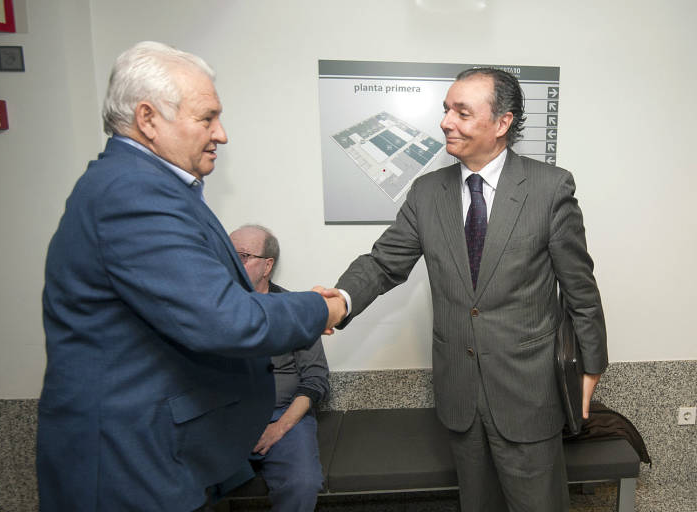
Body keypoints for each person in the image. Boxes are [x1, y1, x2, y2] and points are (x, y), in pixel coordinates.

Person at [37, 41, 345, 512]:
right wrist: (324, 306)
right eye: (207, 118)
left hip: (157, 449)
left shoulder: (150, 187)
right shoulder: (132, 193)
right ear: (148, 118)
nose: (221, 134)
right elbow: (224, 317)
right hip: (128, 460)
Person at [325, 68, 608, 511]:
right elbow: (383, 263)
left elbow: (580, 289)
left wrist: (591, 367)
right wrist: (339, 301)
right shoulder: (426, 192)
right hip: (460, 395)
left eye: (462, 111)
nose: (446, 122)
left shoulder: (549, 189)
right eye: (445, 110)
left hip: (528, 394)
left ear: (501, 124)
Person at [229, 224, 329, 512]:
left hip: (283, 414)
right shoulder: (213, 310)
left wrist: (278, 429)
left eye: (243, 255)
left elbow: (316, 379)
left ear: (267, 265)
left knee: (303, 483)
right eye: (227, 255)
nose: (233, 263)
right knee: (185, 482)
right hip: (227, 417)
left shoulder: (295, 310)